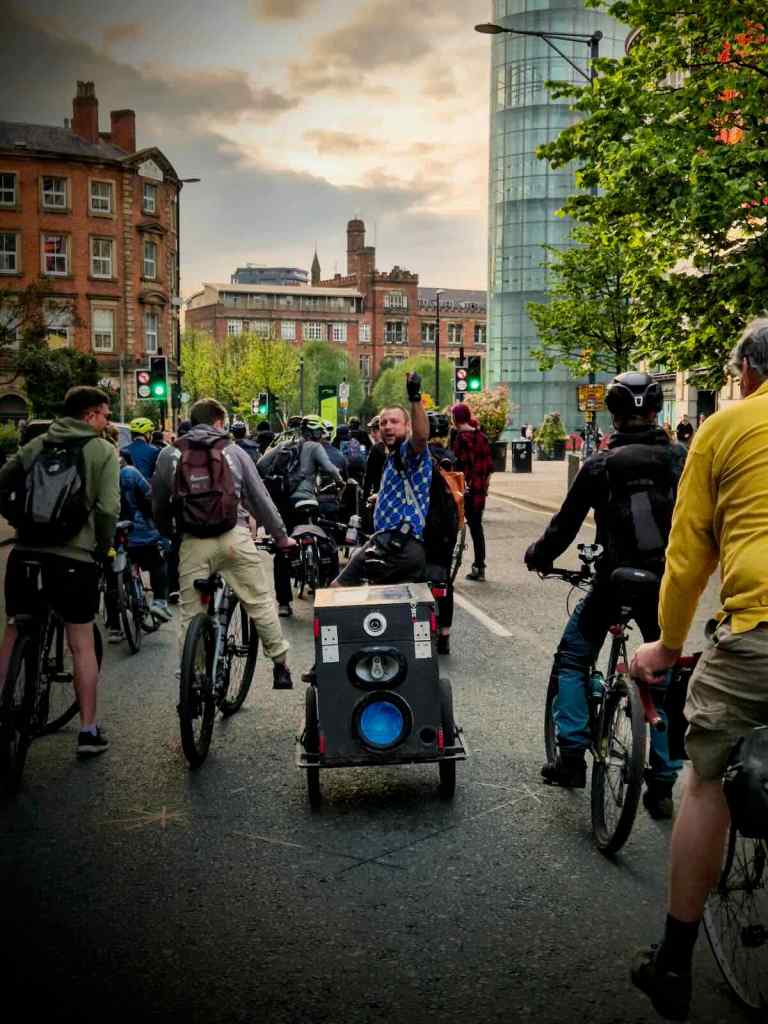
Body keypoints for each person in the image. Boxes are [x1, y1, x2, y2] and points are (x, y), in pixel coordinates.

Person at [629, 319, 768, 1021]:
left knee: (706, 779)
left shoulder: (726, 427)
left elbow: (687, 559)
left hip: (759, 631)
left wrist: (667, 644)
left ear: (747, 371)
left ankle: (674, 964)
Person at [524, 371, 686, 811]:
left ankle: (571, 755)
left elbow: (564, 525)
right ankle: (663, 782)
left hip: (614, 581)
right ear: (657, 411)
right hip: (665, 584)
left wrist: (539, 555)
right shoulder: (680, 459)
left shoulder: (599, 465)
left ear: (614, 415)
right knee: (665, 674)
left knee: (574, 657)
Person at [0, 386, 119, 756]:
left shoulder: (38, 444)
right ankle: (88, 731)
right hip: (73, 559)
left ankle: (2, 710)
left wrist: (18, 520)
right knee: (80, 642)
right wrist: (104, 546)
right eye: (105, 414)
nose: (108, 421)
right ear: (89, 415)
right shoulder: (102, 451)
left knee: (14, 628)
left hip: (25, 553)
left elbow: (3, 481)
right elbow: (108, 509)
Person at [152, 397, 297, 689]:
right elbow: (259, 499)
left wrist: (171, 534)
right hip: (234, 537)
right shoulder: (234, 451)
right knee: (258, 601)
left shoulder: (170, 454)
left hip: (193, 542)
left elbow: (158, 503)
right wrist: (281, 537)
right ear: (219, 422)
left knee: (191, 613)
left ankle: (193, 678)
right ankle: (280, 665)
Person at [334, 373, 431, 587]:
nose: (387, 426)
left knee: (337, 590)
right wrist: (380, 497)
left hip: (394, 543)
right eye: (383, 423)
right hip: (401, 545)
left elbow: (421, 437)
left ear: (407, 427)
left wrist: (415, 398)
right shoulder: (393, 457)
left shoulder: (409, 452)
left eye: (394, 422)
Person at [257, 414, 345, 617]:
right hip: (308, 501)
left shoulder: (284, 445)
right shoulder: (315, 447)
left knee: (283, 549)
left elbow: (261, 465)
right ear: (317, 433)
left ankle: (284, 603)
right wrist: (340, 482)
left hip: (284, 504)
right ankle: (331, 592)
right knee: (327, 540)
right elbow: (330, 469)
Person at [104, 456, 172, 643]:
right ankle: (159, 601)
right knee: (158, 563)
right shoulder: (130, 473)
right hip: (140, 534)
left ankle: (115, 627)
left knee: (111, 580)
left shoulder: (96, 475)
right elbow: (151, 498)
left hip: (110, 535)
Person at [451, 402, 493, 582]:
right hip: (479, 491)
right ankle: (479, 567)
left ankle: (446, 566)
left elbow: (455, 465)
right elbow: (489, 468)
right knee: (477, 528)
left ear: (455, 418)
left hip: (463, 489)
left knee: (452, 526)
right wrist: (485, 488)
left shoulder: (459, 438)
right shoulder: (482, 437)